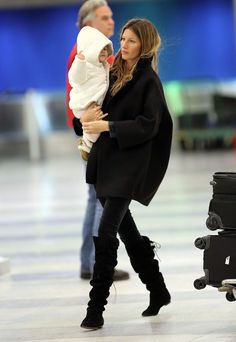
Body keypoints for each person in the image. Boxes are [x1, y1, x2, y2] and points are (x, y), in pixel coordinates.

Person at [73, 18, 173, 329]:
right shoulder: (113, 71)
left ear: (145, 45)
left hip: (129, 166)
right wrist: (86, 119)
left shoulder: (149, 82)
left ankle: (96, 308)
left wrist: (109, 127)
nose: (123, 45)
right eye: (123, 39)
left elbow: (148, 124)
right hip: (107, 162)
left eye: (131, 40)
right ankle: (158, 288)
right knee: (126, 230)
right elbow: (90, 109)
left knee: (106, 231)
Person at [66, 0, 129, 281]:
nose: (111, 22)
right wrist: (83, 125)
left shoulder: (98, 53)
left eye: (112, 16)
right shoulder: (84, 54)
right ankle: (94, 263)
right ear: (89, 24)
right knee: (100, 198)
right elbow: (77, 96)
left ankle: (87, 262)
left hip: (92, 129)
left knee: (95, 198)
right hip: (92, 132)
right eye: (105, 17)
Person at [68, 26, 113, 160]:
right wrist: (79, 62)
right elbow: (75, 78)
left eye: (106, 48)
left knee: (95, 129)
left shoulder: (103, 65)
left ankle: (87, 144)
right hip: (85, 105)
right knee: (94, 129)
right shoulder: (84, 64)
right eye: (101, 48)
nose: (104, 52)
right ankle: (86, 144)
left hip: (94, 105)